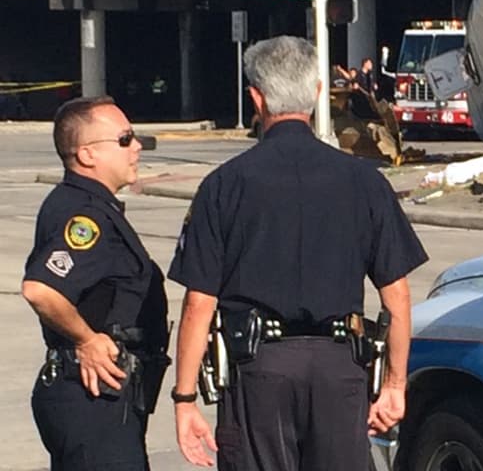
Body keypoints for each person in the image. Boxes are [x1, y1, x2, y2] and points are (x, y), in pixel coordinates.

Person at [169, 35, 428, 470]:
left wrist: (184, 398)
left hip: (260, 370)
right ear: (318, 93)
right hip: (341, 366)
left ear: (256, 98)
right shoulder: (364, 182)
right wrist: (394, 385)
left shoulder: (225, 184)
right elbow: (396, 295)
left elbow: (199, 303)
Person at [22, 96, 170, 470]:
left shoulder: (89, 205)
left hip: (104, 400)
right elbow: (41, 288)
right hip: (91, 397)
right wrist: (86, 339)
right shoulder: (85, 216)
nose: (137, 147)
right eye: (125, 139)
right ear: (87, 155)